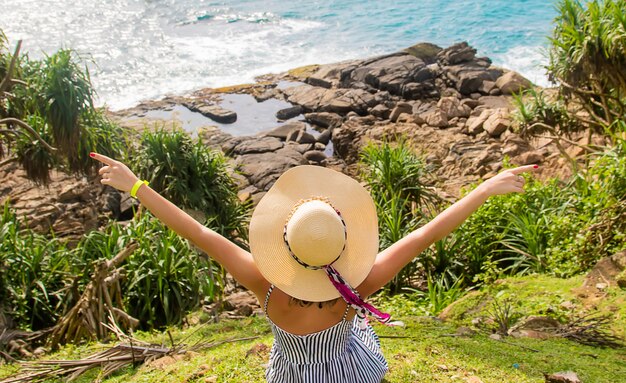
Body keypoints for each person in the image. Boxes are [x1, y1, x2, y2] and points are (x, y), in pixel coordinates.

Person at [90, 151, 538, 382]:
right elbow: (425, 235)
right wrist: (482, 189)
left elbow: (199, 233)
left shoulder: (263, 285)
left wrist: (138, 186)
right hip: (347, 375)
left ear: (284, 246)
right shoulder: (358, 285)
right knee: (360, 331)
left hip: (290, 376)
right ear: (343, 246)